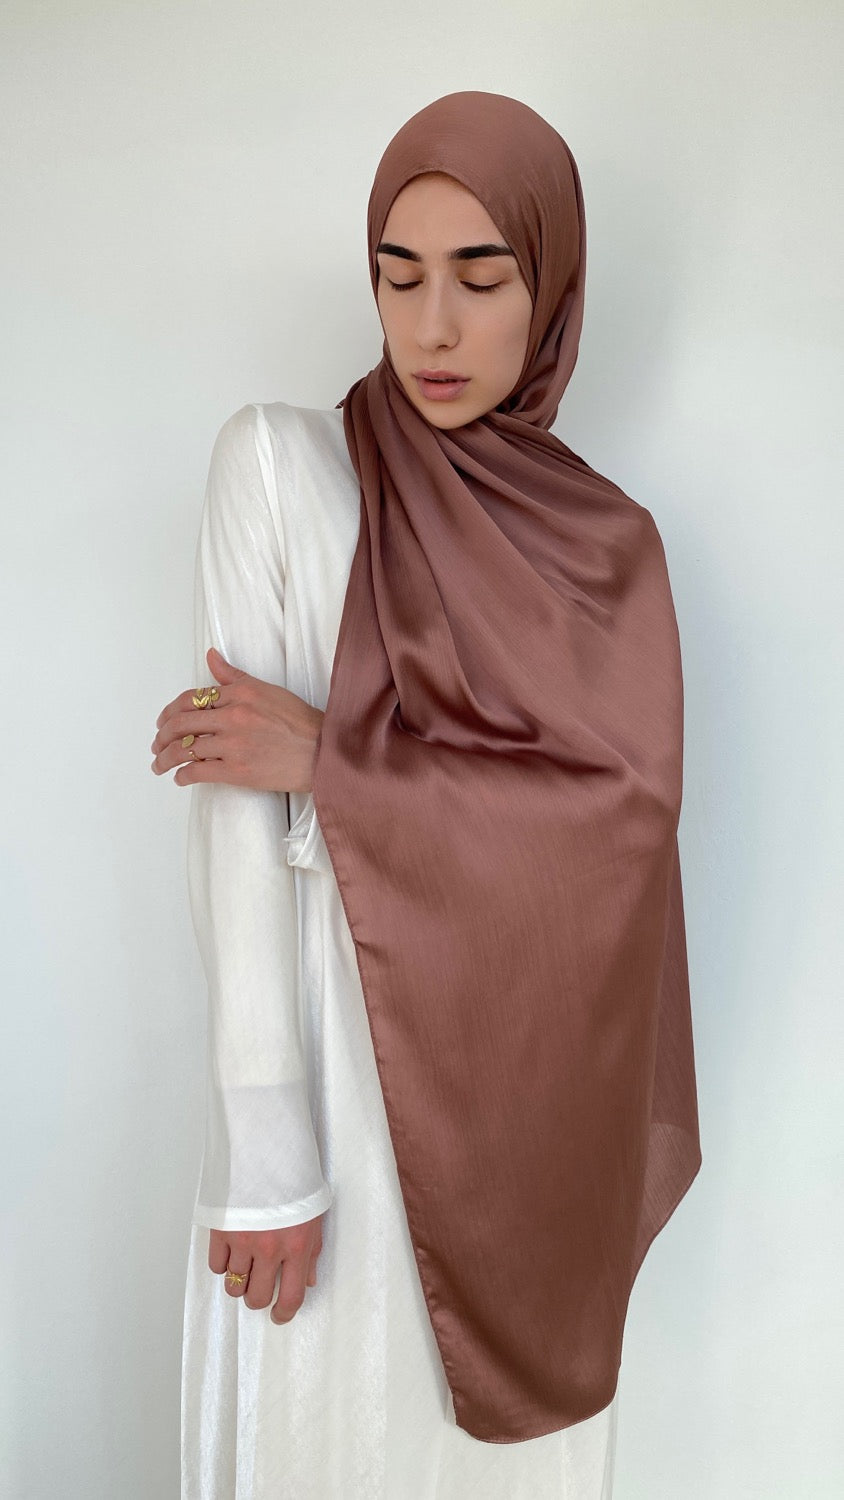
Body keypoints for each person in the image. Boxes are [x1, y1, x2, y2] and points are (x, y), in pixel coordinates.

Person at [151, 90, 701, 1499]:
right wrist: (266, 1155)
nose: (433, 328)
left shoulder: (608, 549)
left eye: (481, 278)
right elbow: (230, 817)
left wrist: (335, 760)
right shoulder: (280, 468)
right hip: (338, 1109)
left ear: (550, 288)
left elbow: (621, 838)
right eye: (399, 278)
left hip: (526, 1136)